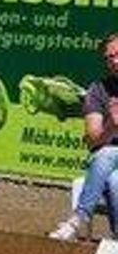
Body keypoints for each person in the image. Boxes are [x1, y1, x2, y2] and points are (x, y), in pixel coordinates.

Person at [49, 33, 118, 240]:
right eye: (109, 57)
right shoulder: (98, 90)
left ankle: (78, 218)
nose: (114, 61)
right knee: (113, 178)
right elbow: (92, 140)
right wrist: (112, 126)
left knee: (105, 157)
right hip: (109, 159)